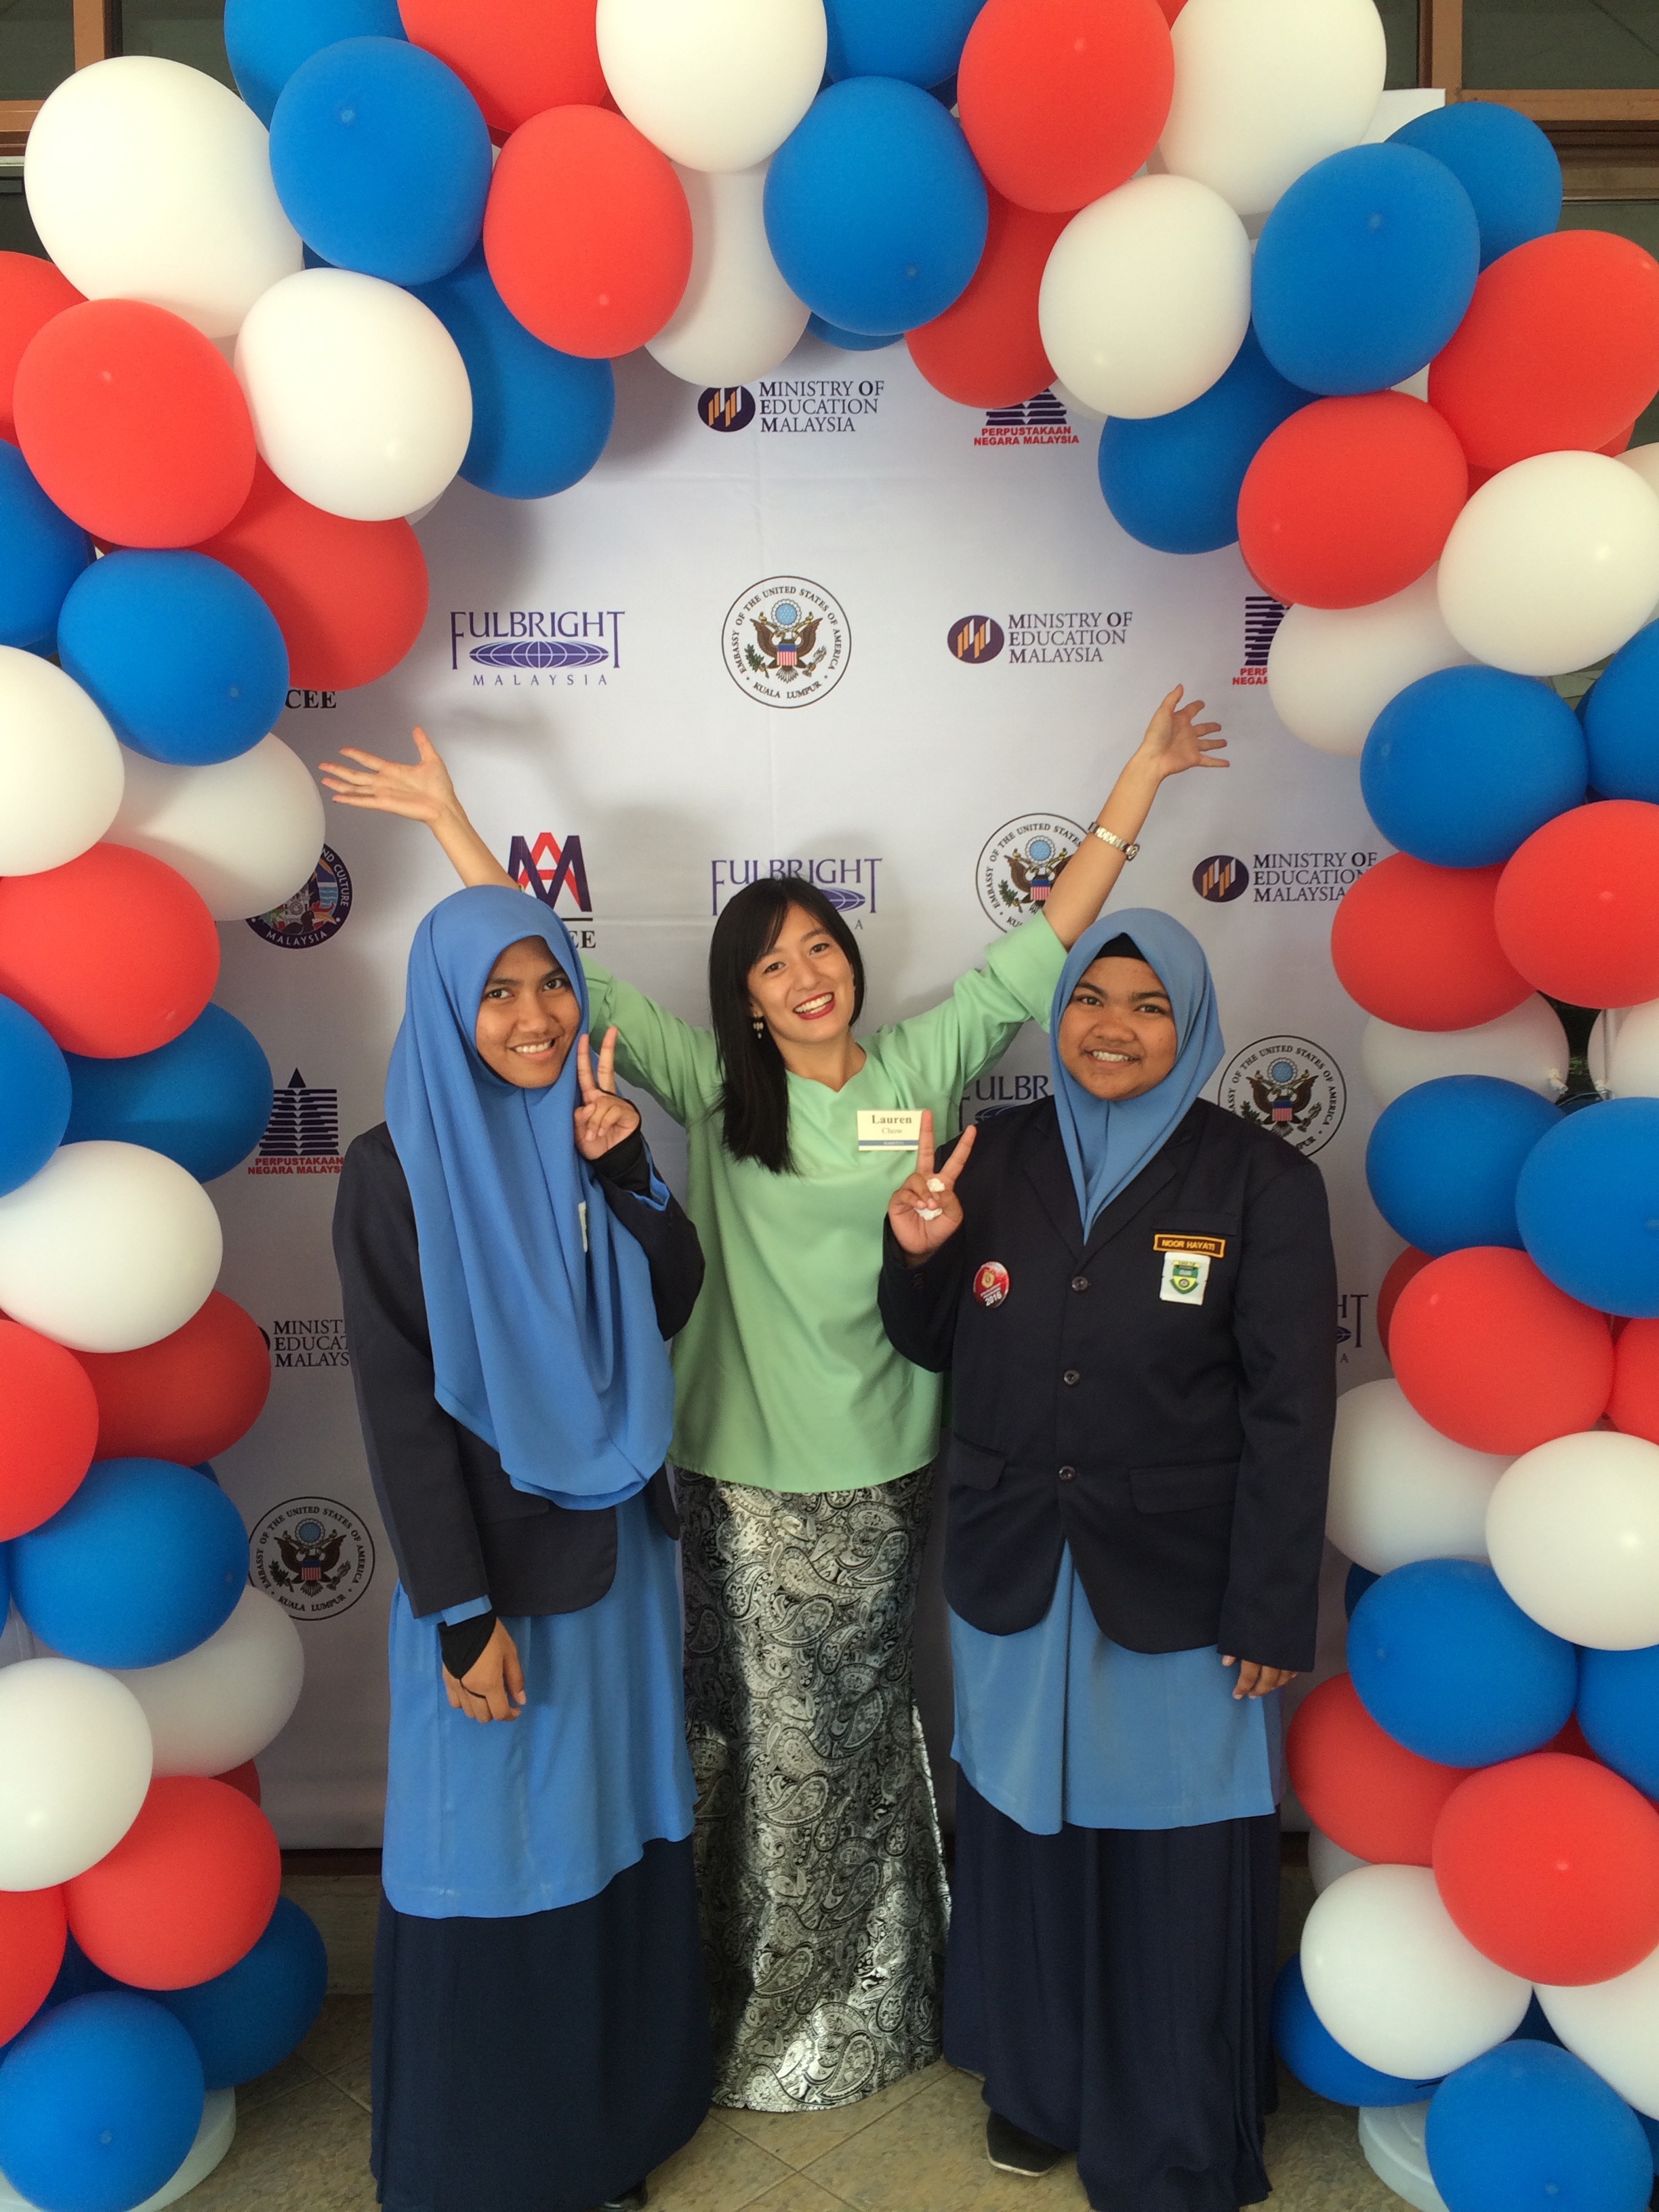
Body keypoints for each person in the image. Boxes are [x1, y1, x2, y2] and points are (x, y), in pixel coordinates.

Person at [319, 691, 1225, 2114]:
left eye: (822, 948)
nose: (806, 976)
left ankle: (868, 2006)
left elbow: (1044, 943)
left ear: (850, 963)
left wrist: (1141, 781)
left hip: (885, 1464)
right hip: (732, 1475)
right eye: (775, 962)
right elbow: (543, 968)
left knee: (857, 1734)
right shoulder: (707, 1082)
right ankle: (766, 2009)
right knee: (752, 1739)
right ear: (740, 994)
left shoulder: (923, 1068)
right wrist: (449, 820)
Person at [879, 910, 1336, 2212]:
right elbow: (932, 1343)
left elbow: (1292, 1410)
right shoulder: (1000, 1150)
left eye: (1146, 1005)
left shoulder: (1260, 1179)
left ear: (1186, 1022)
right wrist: (916, 1258)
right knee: (1030, 1832)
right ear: (1059, 1012)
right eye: (1091, 999)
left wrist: (1268, 1605)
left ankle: (1174, 2118)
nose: (1112, 1027)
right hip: (1020, 1570)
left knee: (1171, 1848)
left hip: (1185, 1588)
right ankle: (1041, 2084)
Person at [332, 886, 711, 2212]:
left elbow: (670, 1296)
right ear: (447, 1006)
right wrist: (458, 1611)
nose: (537, 1018)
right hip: (499, 1583)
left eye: (549, 984)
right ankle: (493, 2160)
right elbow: (399, 1408)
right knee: (497, 1849)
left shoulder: (590, 1128)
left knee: (607, 1829)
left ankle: (613, 2128)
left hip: (616, 1568)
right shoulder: (391, 1168)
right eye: (499, 993)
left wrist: (621, 1171)